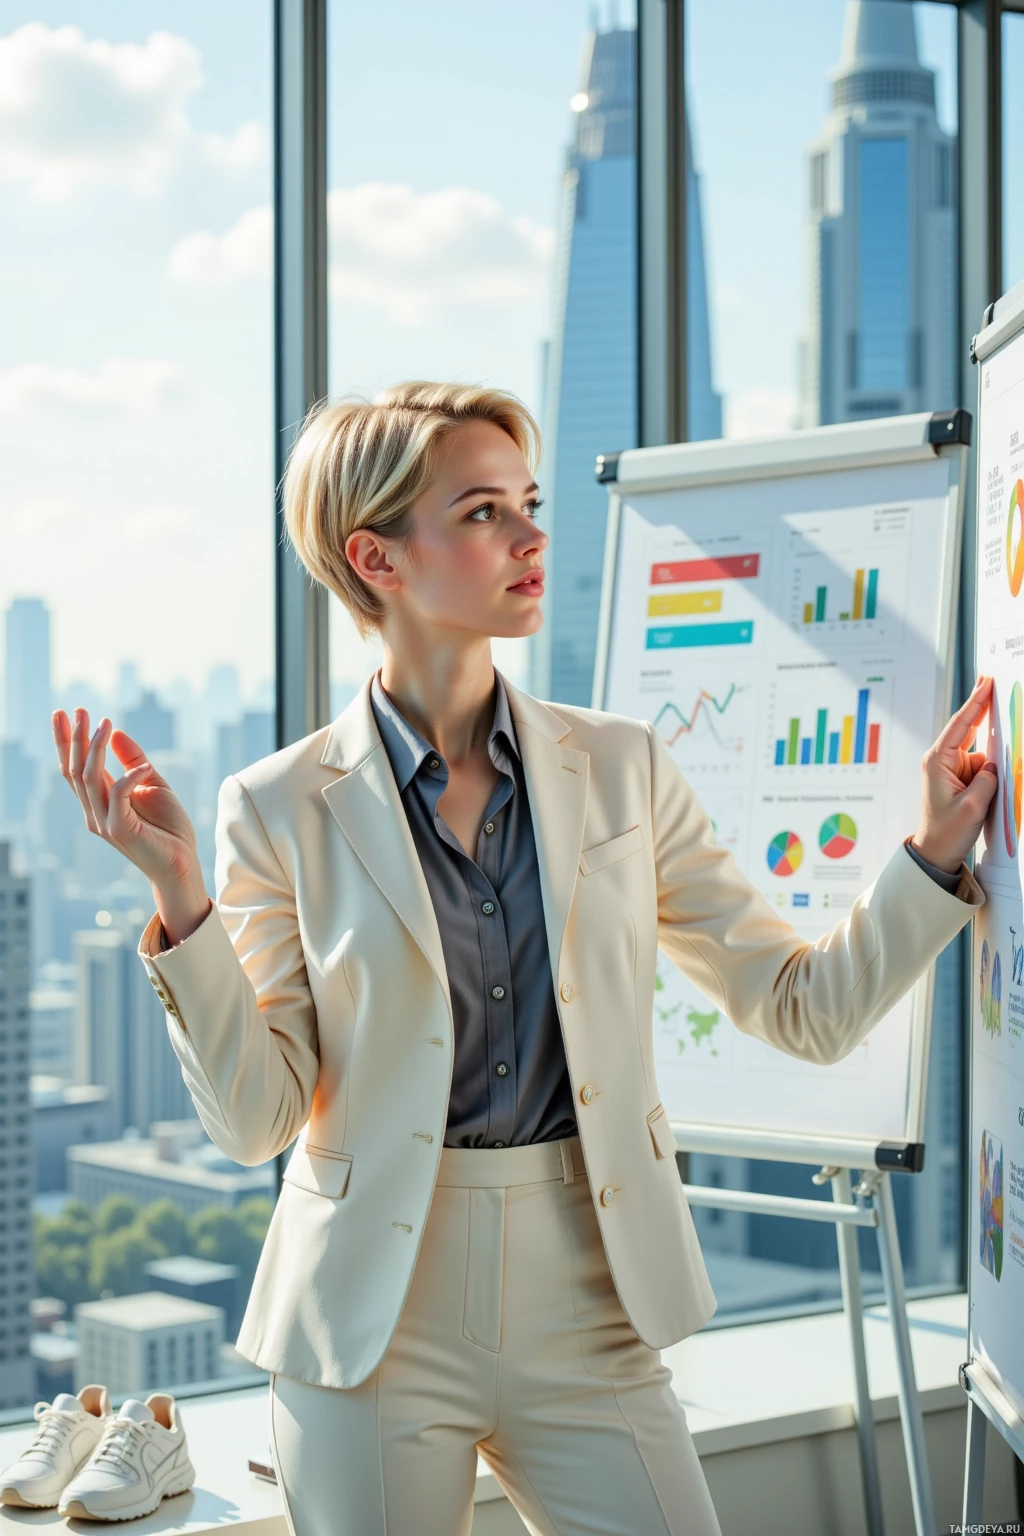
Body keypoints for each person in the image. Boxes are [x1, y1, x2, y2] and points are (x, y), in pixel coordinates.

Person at [52, 381, 996, 1536]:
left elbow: (802, 1009)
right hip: (369, 1320)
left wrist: (934, 855)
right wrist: (180, 897)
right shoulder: (277, 806)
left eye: (530, 502)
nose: (532, 535)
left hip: (593, 1294)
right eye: (484, 510)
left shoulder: (619, 768)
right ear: (378, 558)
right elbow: (256, 1119)